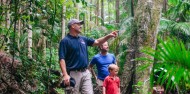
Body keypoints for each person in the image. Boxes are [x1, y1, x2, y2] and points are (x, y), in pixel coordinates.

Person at [59, 19, 118, 94]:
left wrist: (109, 36)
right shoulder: (65, 41)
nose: (81, 26)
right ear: (73, 26)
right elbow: (62, 59)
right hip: (73, 73)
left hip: (85, 72)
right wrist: (65, 75)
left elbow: (97, 42)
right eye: (79, 24)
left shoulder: (83, 39)